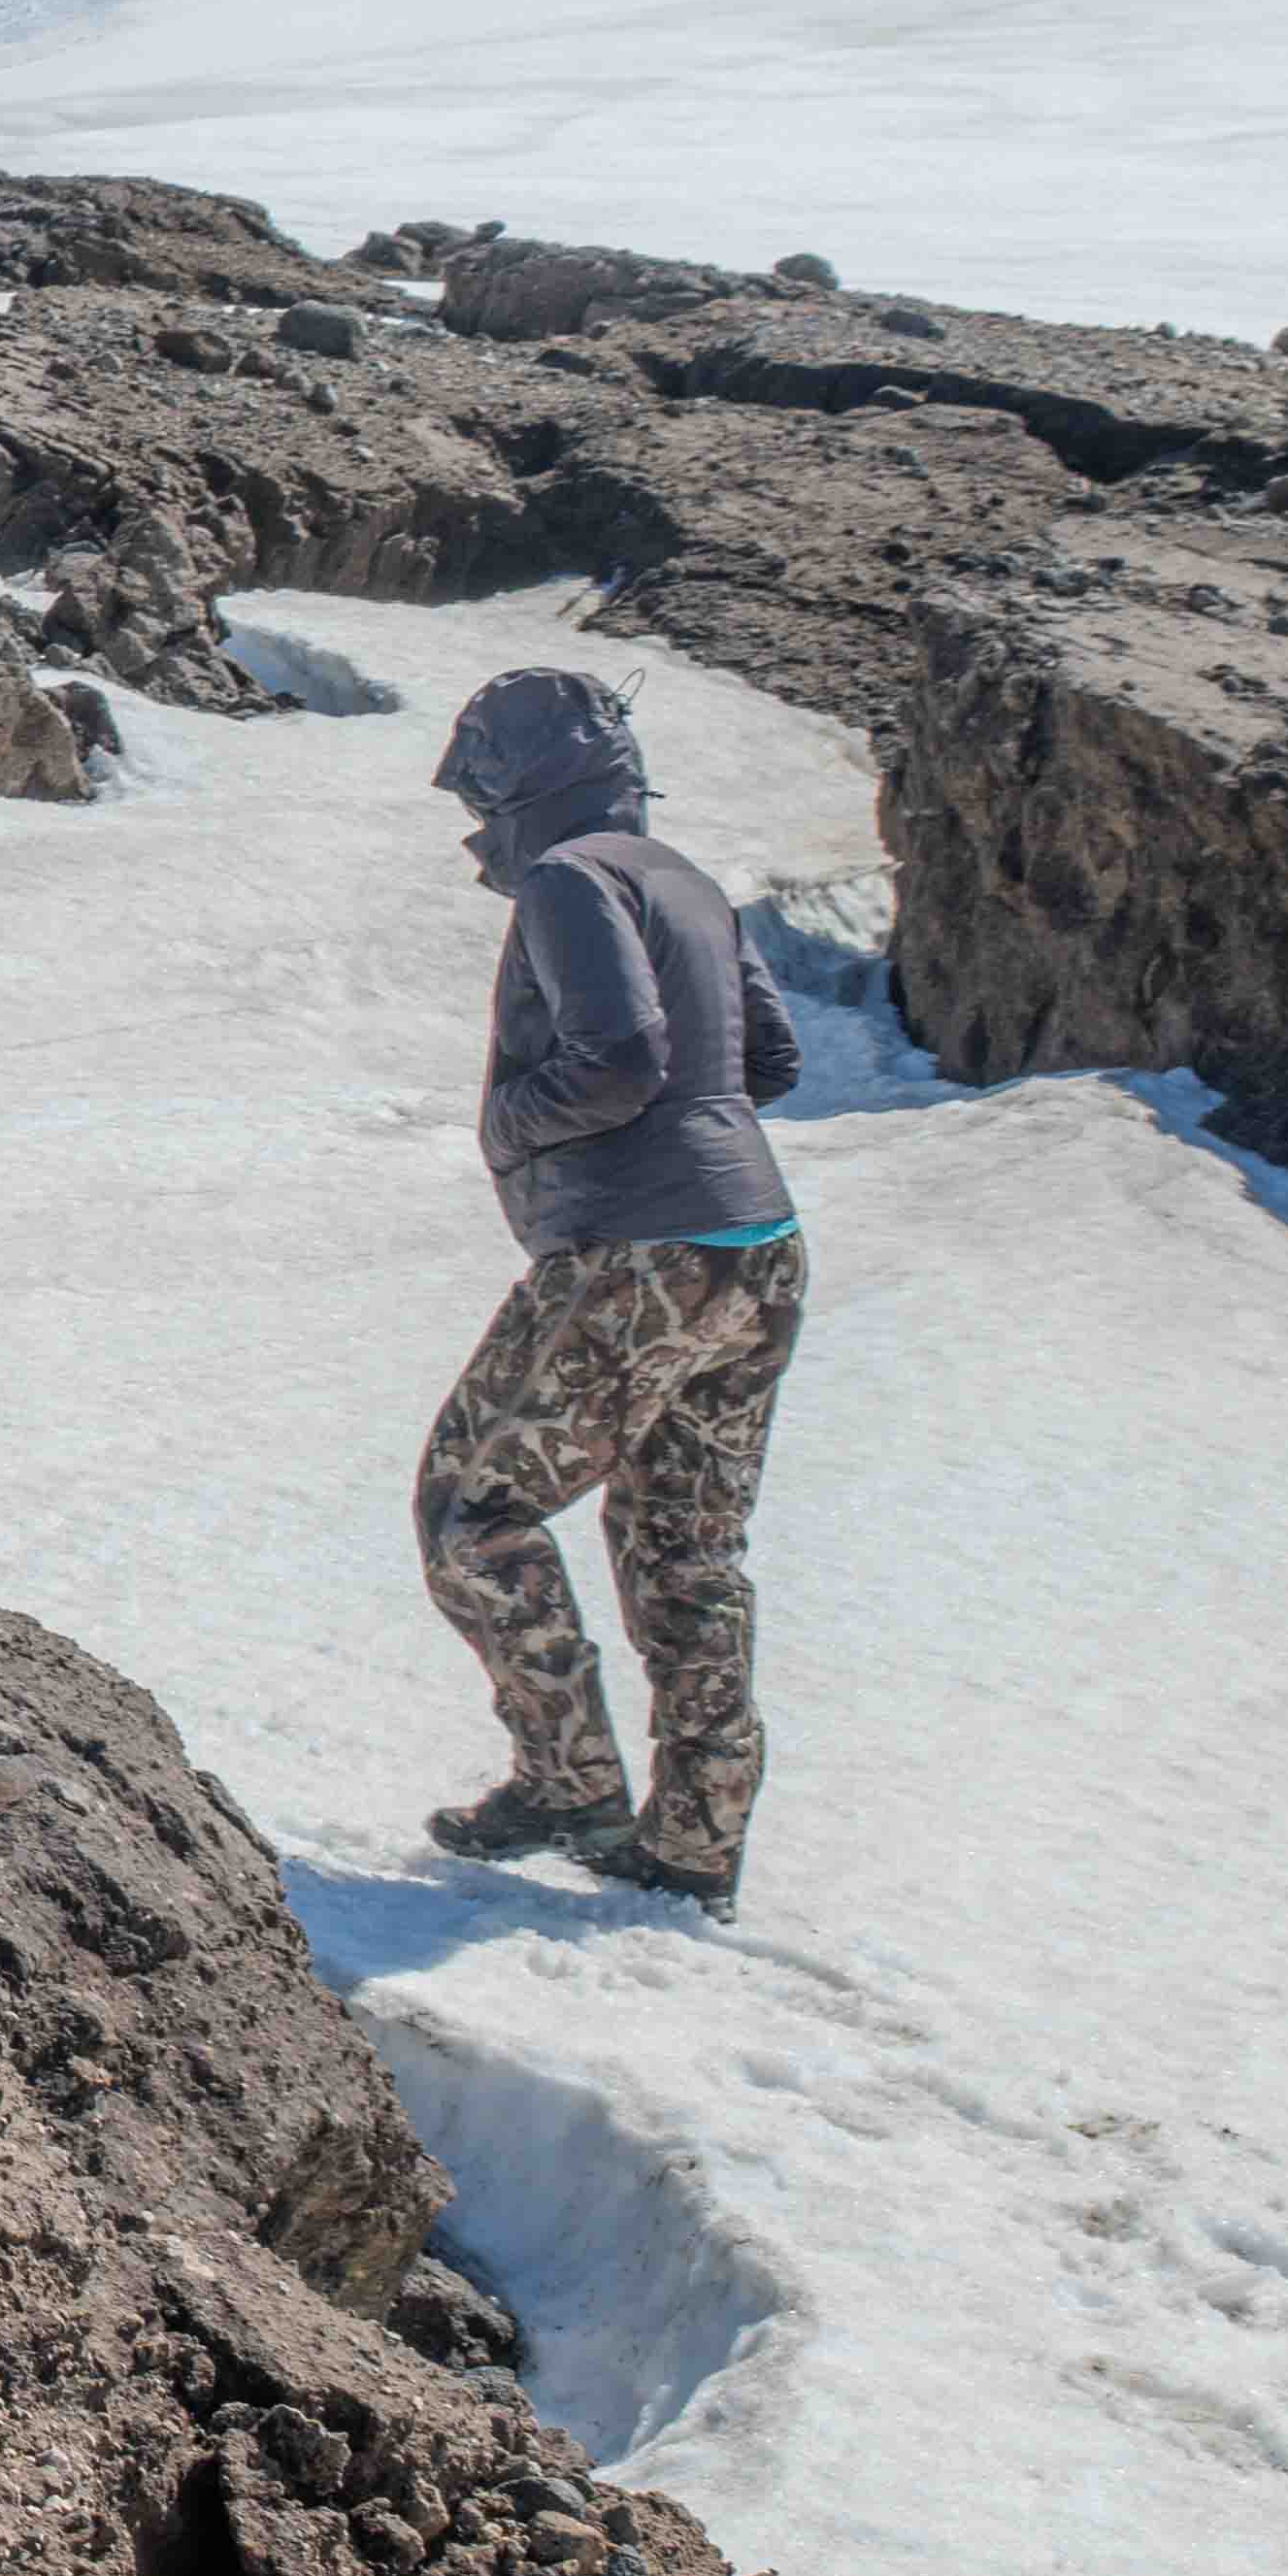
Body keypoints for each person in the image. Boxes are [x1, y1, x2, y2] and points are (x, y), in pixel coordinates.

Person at [411, 665, 807, 1907]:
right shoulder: (682, 875)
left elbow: (623, 1055)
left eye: (482, 771)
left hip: (636, 1252)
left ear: (523, 773)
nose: (473, 800)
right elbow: (774, 1058)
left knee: (471, 1515)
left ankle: (568, 1778)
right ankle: (695, 1837)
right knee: (689, 1548)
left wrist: (513, 1122)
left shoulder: (571, 876)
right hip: (760, 1243)